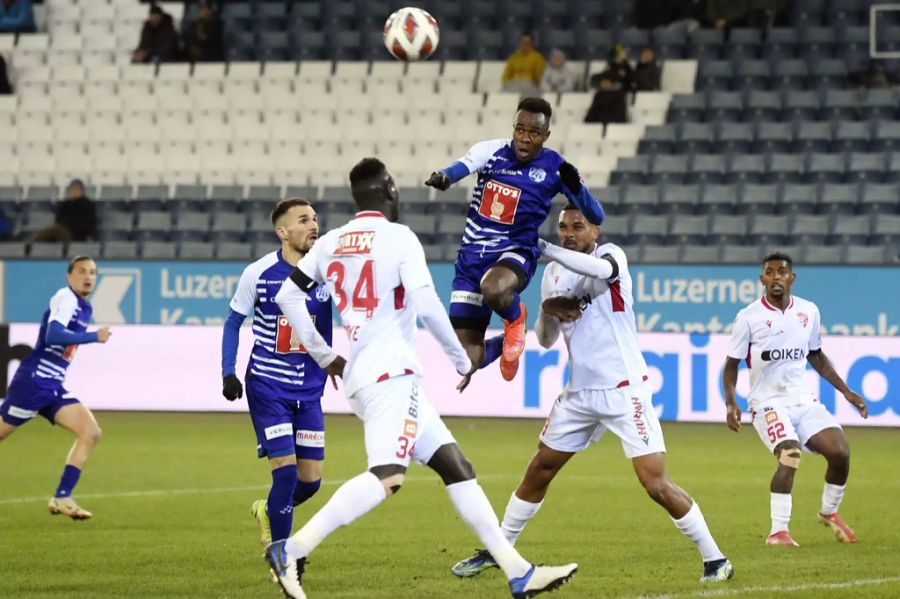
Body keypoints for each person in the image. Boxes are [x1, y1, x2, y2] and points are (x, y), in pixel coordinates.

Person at [267, 158, 579, 599]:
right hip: (391, 374)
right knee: (387, 476)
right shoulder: (399, 238)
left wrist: (324, 355)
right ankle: (291, 549)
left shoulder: (333, 241)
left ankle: (518, 571)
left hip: (367, 371)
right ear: (389, 189)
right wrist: (459, 359)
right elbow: (428, 305)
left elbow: (287, 294)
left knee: (456, 465)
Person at [451, 206, 735, 584]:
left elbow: (601, 274)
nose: (569, 232)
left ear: (595, 231)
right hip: (580, 393)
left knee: (655, 484)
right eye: (563, 226)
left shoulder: (610, 256)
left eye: (577, 226)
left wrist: (543, 246)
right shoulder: (552, 275)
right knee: (540, 469)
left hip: (624, 390)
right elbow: (547, 340)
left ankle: (716, 559)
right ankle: (500, 549)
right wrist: (546, 310)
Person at [424, 97, 605, 384]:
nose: (524, 138)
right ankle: (509, 337)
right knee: (466, 361)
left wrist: (576, 187)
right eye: (520, 130)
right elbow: (459, 168)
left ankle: (515, 317)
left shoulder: (556, 167)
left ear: (546, 136)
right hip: (471, 260)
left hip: (514, 252)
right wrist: (444, 177)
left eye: (534, 133)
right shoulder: (490, 150)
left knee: (493, 287)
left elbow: (597, 214)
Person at [722, 253, 868, 547]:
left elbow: (816, 355)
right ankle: (778, 532)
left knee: (840, 452)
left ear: (792, 278)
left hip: (803, 401)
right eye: (769, 272)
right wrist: (730, 402)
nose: (776, 277)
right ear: (762, 280)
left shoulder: (809, 311)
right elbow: (731, 364)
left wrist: (846, 390)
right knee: (790, 454)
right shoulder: (748, 317)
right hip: (767, 402)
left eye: (782, 272)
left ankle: (829, 512)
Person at [221, 198, 332, 551]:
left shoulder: (330, 270)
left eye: (315, 218)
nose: (313, 225)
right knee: (284, 473)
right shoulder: (259, 272)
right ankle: (281, 556)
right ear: (282, 232)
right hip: (268, 385)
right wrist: (228, 372)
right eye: (303, 220)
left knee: (310, 482)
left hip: (310, 388)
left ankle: (267, 511)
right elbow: (233, 321)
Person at [0, 256, 111, 519]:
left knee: (90, 433)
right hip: (34, 381)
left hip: (52, 384)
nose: (88, 276)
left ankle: (62, 497)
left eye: (93, 272)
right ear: (69, 276)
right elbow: (54, 335)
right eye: (82, 271)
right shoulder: (66, 298)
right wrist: (93, 337)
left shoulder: (84, 306)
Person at [31, 179, 97, 243]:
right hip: (62, 232)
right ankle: (30, 246)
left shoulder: (87, 205)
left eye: (77, 189)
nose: (75, 191)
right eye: (73, 189)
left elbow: (87, 224)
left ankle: (29, 245)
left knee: (54, 229)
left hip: (77, 236)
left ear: (82, 190)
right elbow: (59, 219)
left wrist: (69, 226)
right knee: (52, 231)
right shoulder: (65, 204)